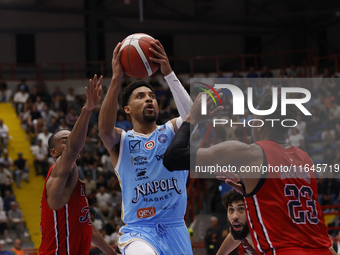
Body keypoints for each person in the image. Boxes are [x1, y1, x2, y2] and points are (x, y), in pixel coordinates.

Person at [163, 92, 336, 254]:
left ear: (261, 122)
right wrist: (251, 192)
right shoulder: (305, 159)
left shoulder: (250, 153)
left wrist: (191, 118)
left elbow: (173, 158)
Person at [98, 41, 193, 255]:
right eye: (140, 97)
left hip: (176, 227)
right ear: (127, 109)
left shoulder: (171, 130)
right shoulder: (122, 140)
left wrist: (169, 74)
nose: (149, 99)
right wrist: (115, 79)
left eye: (152, 96)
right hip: (138, 230)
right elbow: (104, 129)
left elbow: (193, 117)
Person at [39, 75, 117, 255]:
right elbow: (73, 148)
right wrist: (87, 110)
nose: (72, 140)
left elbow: (86, 222)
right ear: (54, 153)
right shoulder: (58, 171)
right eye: (65, 140)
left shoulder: (73, 179)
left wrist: (111, 253)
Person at [217, 189, 256, 255]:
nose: (234, 216)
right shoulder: (238, 232)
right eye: (231, 209)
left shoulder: (270, 235)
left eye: (241, 209)